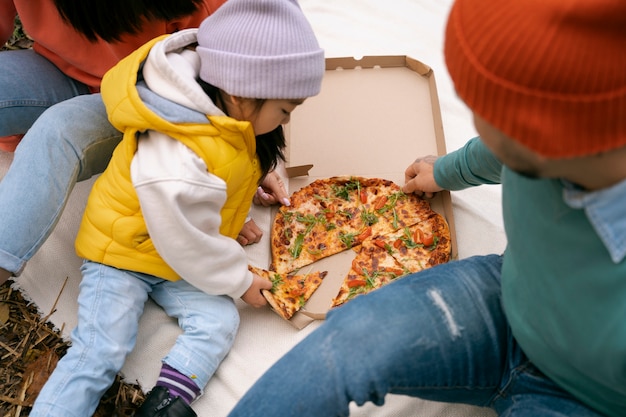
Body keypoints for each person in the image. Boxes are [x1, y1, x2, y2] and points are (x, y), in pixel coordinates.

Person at [227, 0, 626, 416]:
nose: (474, 119)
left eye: (485, 110)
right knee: (346, 338)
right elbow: (498, 154)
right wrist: (448, 171)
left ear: (539, 133)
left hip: (587, 400)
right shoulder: (541, 142)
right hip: (506, 301)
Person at [27, 0, 324, 416]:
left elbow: (228, 159)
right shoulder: (175, 155)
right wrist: (237, 279)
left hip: (175, 256)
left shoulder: (222, 107)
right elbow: (184, 238)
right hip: (126, 251)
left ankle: (168, 403)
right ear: (241, 93)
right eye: (284, 111)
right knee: (102, 350)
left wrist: (257, 175)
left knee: (218, 321)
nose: (285, 122)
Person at [0, 0, 291, 285]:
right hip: (56, 69)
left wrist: (242, 168)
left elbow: (235, 85)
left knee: (57, 131)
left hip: (150, 100)